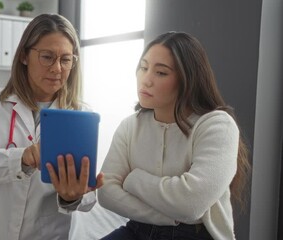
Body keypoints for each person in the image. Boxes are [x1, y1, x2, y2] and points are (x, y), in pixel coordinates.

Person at [0, 14, 104, 240]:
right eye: (47, 57)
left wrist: (71, 197)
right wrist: (23, 157)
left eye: (66, 59)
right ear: (24, 55)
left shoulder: (80, 116)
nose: (57, 68)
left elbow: (87, 195)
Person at [97, 31, 251, 240]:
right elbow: (106, 193)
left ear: (188, 79)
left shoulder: (217, 125)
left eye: (161, 73)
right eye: (143, 68)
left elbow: (191, 204)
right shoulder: (130, 126)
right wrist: (166, 216)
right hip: (137, 229)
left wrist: (133, 180)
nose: (146, 80)